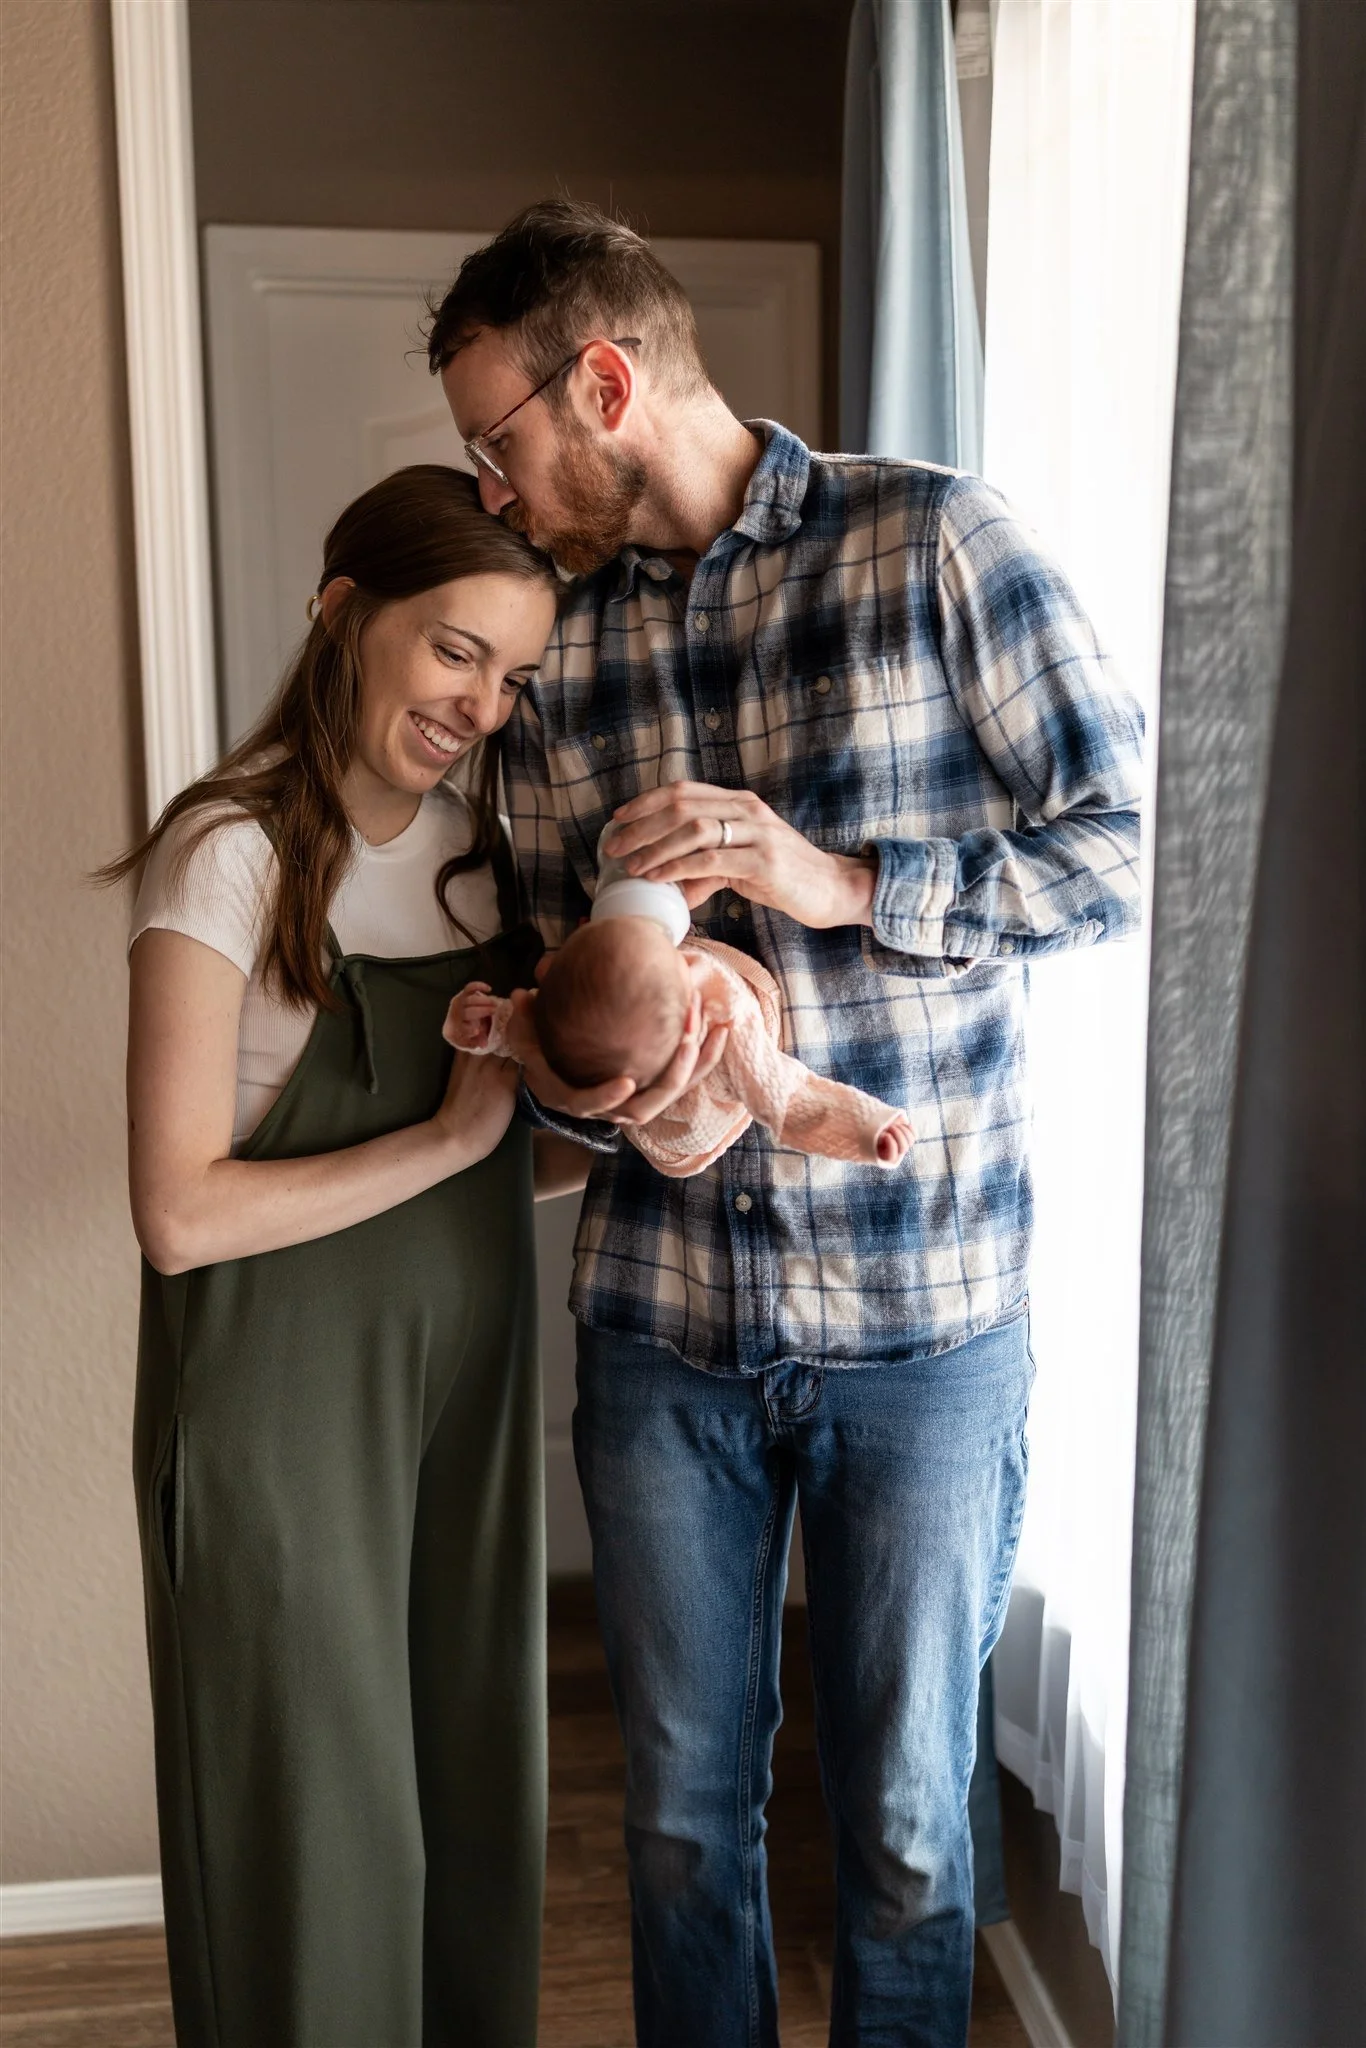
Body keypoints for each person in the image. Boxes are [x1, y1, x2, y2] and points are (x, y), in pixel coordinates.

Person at [427, 202, 1145, 2047]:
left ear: (603, 379)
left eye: (498, 440)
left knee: (907, 1829)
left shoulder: (933, 545)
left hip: (927, 1318)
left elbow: (1125, 851)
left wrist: (839, 878)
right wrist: (582, 1056)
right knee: (679, 1823)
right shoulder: (549, 658)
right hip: (665, 1326)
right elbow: (531, 953)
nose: (492, 491)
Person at [102, 466, 578, 2048]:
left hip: (462, 1401)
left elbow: (520, 1150)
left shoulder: (485, 865)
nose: (480, 707)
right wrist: (448, 1143)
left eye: (510, 676)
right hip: (275, 1423)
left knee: (465, 1802)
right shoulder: (225, 855)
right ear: (342, 614)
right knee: (313, 1846)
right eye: (454, 652)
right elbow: (177, 1213)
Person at [445, 914, 917, 1170]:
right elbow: (792, 1100)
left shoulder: (615, 980)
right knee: (570, 1028)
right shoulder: (727, 1027)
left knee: (571, 1011)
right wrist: (866, 1128)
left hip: (620, 1048)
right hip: (689, 1119)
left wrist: (490, 1025)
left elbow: (532, 1022)